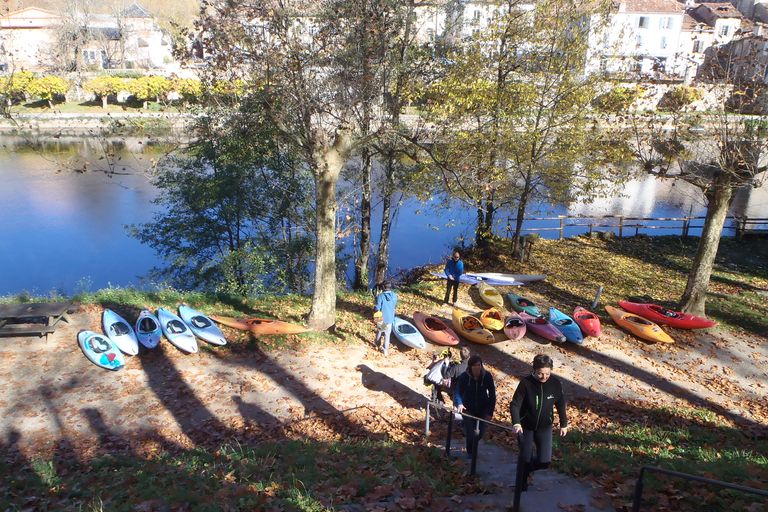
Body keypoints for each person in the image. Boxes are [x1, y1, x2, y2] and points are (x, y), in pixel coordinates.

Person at [509, 354, 568, 491]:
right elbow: (515, 404)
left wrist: (563, 423)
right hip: (526, 427)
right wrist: (516, 423)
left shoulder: (555, 384)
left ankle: (527, 470)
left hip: (544, 427)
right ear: (534, 370)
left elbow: (560, 403)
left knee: (544, 461)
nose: (544, 377)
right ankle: (521, 485)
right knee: (525, 458)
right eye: (540, 373)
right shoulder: (526, 383)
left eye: (547, 373)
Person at [454, 355, 496, 457]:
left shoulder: (487, 376)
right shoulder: (464, 377)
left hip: (483, 408)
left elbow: (492, 395)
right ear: (470, 367)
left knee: (480, 433)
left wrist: (490, 412)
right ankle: (470, 452)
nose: (477, 368)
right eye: (474, 366)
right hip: (467, 408)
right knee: (470, 433)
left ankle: (473, 447)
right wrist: (459, 403)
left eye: (479, 365)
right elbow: (457, 392)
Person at [373, 281, 397, 356]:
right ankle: (385, 350)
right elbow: (394, 305)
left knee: (379, 332)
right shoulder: (394, 295)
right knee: (387, 334)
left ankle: (377, 344)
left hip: (381, 317)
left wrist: (375, 307)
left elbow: (377, 308)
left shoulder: (380, 296)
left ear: (383, 287)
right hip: (390, 318)